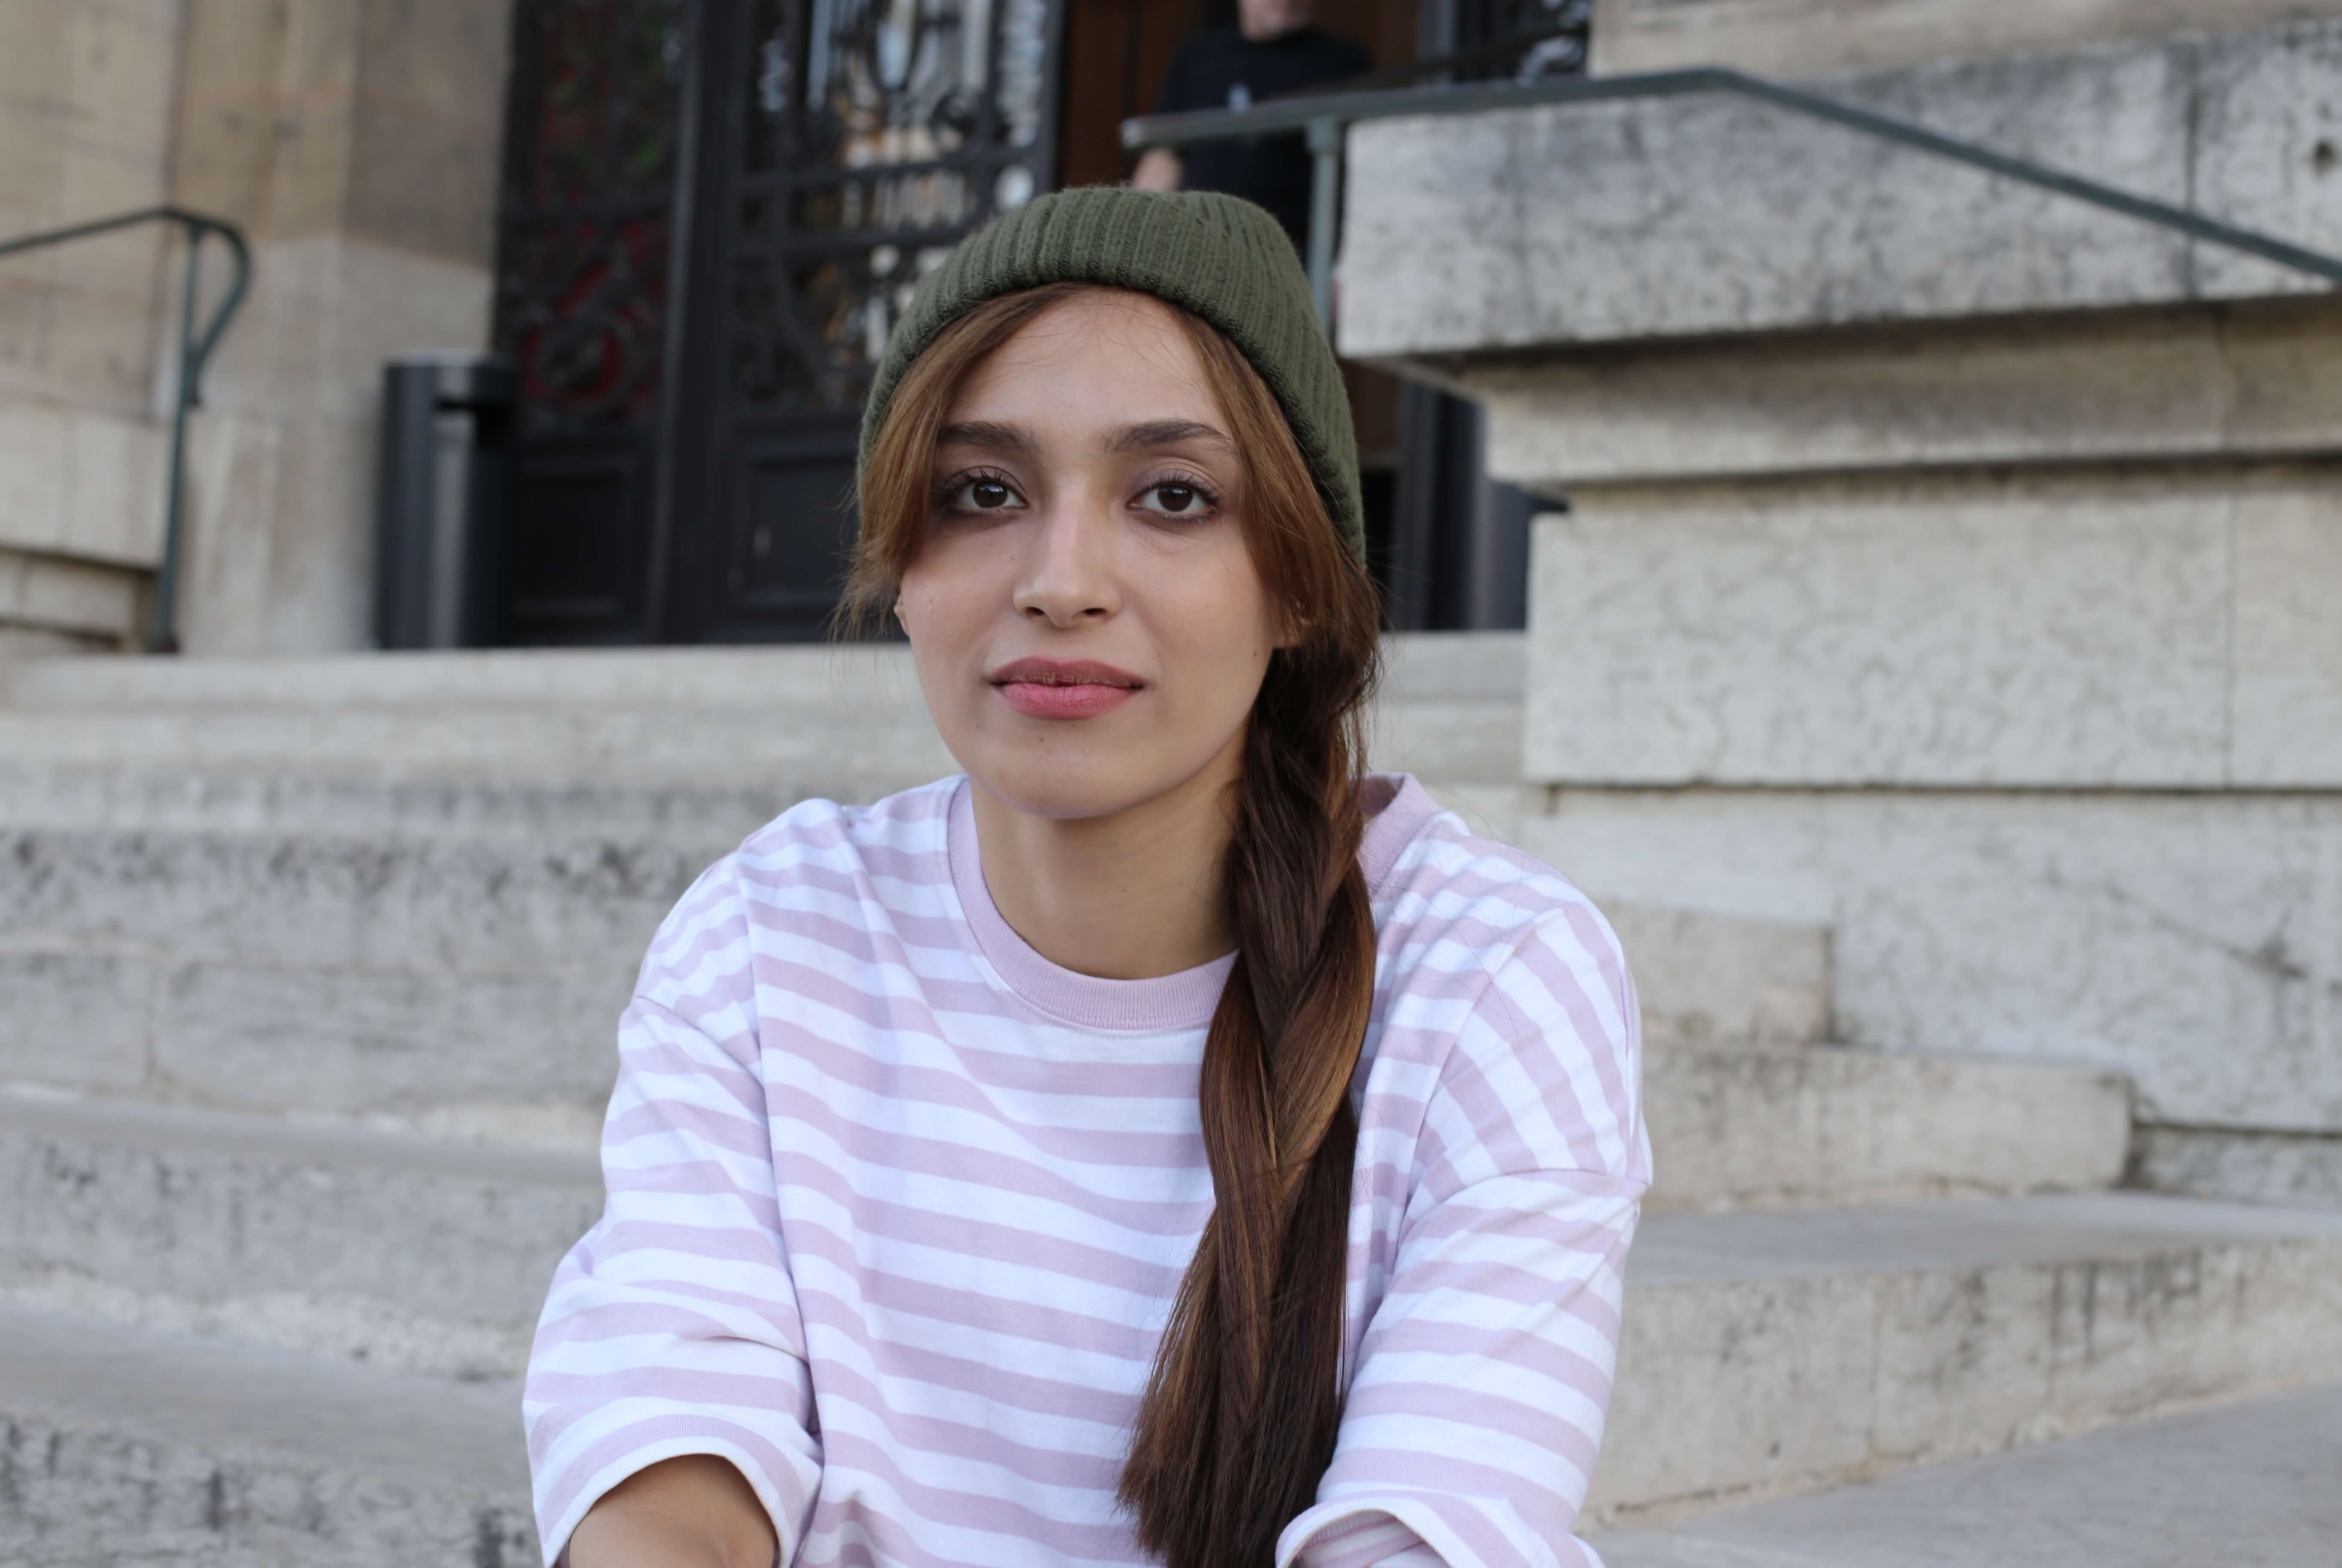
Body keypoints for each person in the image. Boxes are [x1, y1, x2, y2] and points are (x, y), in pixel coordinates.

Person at [524, 187, 1648, 1568]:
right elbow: (666, 1434)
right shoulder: (775, 934)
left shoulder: (1492, 978)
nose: (1063, 580)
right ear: (901, 563)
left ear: (1297, 581)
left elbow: (1432, 1522)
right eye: (981, 493)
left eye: (1173, 496)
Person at [1131, 0, 1371, 249]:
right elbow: (1165, 156)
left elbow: (1361, 175)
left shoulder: (1343, 63)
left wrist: (1342, 264)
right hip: (1199, 239)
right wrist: (1137, 231)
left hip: (1293, 250)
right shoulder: (1198, 57)